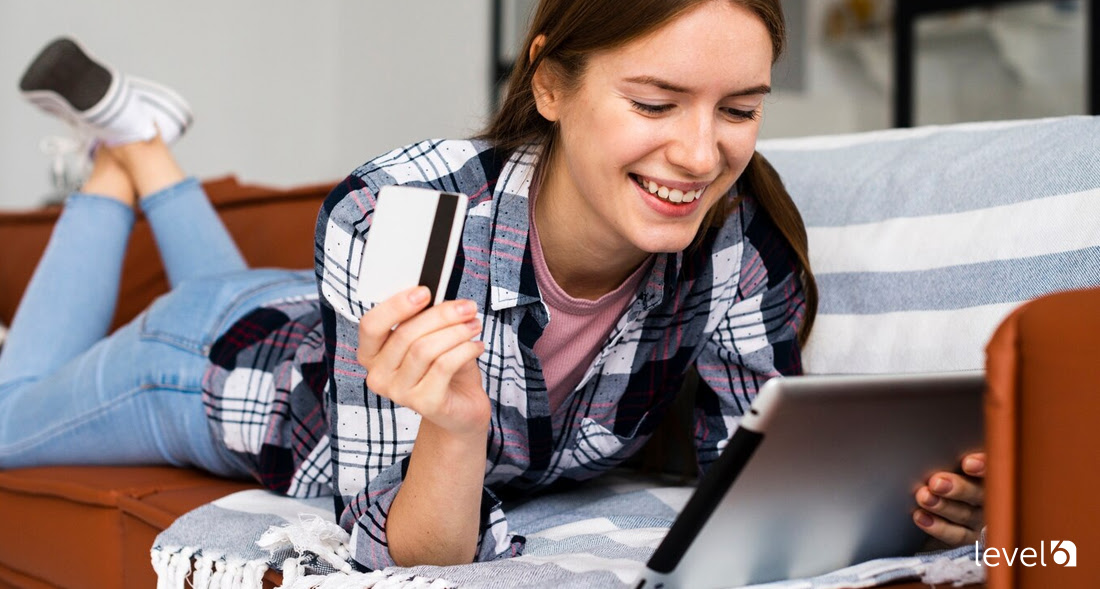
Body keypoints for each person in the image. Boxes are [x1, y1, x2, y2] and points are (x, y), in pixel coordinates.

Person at [0, 0, 985, 572]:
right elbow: (411, 550)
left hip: (306, 314)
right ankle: (117, 164)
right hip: (213, 370)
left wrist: (911, 507)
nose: (700, 153)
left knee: (235, 289)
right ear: (549, 84)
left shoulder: (736, 240)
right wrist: (456, 426)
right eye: (654, 102)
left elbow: (752, 489)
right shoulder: (400, 207)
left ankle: (146, 144)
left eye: (738, 109)